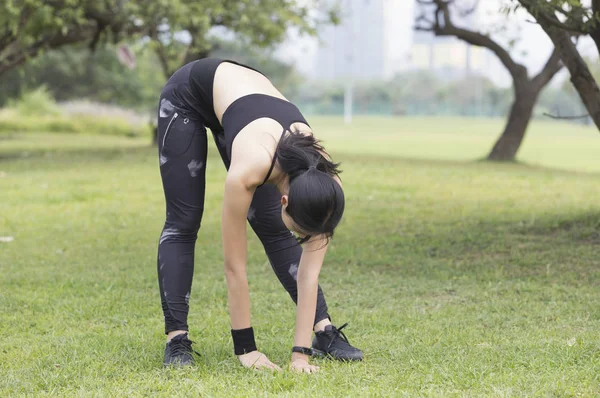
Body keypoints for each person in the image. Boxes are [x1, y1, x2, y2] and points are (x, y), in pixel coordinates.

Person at [156, 58, 363, 373]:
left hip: (244, 105)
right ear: (284, 200)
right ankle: (177, 339)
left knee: (273, 228)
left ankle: (322, 332)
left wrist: (299, 355)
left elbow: (309, 273)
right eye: (302, 234)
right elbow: (235, 267)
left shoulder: (325, 185)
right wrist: (247, 350)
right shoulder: (249, 170)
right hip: (190, 94)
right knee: (184, 223)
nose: (305, 241)